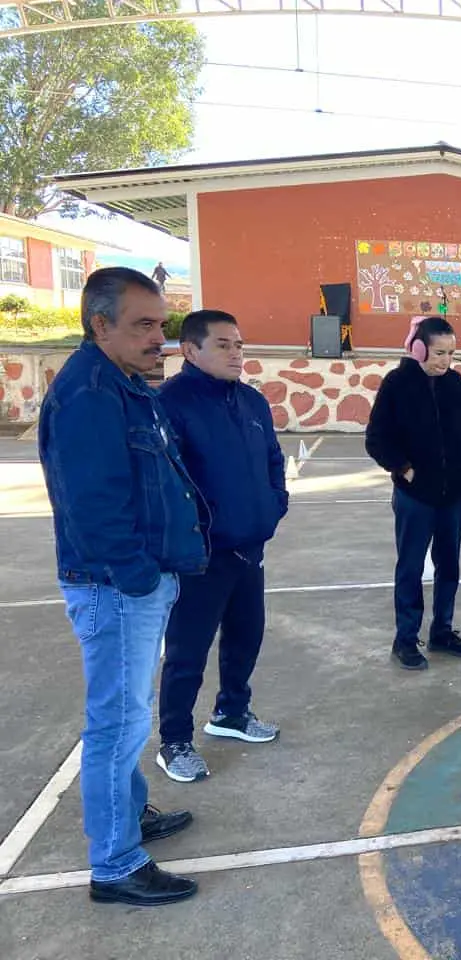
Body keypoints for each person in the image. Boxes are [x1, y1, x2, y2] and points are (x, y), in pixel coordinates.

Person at [37, 267, 206, 905]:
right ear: (99, 324)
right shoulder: (90, 395)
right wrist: (140, 579)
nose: (157, 337)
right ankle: (115, 864)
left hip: (134, 583)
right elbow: (94, 507)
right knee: (118, 721)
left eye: (160, 323)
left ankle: (130, 814)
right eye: (142, 325)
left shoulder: (122, 384)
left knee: (129, 715)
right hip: (116, 587)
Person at [154, 310, 289, 783]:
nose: (236, 353)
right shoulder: (170, 403)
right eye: (224, 345)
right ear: (191, 350)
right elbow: (165, 484)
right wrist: (193, 538)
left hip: (249, 546)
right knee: (187, 651)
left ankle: (232, 712)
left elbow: (273, 460)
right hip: (201, 556)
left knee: (246, 635)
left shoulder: (251, 402)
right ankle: (174, 741)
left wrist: (275, 504)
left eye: (239, 344)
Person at [365, 315, 461, 670]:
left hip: (454, 497)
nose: (445, 361)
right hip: (415, 498)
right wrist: (404, 469)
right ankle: (405, 638)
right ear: (416, 348)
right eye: (438, 353)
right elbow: (376, 438)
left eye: (450, 354)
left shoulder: (456, 385)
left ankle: (442, 631)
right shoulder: (397, 384)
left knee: (450, 566)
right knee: (411, 567)